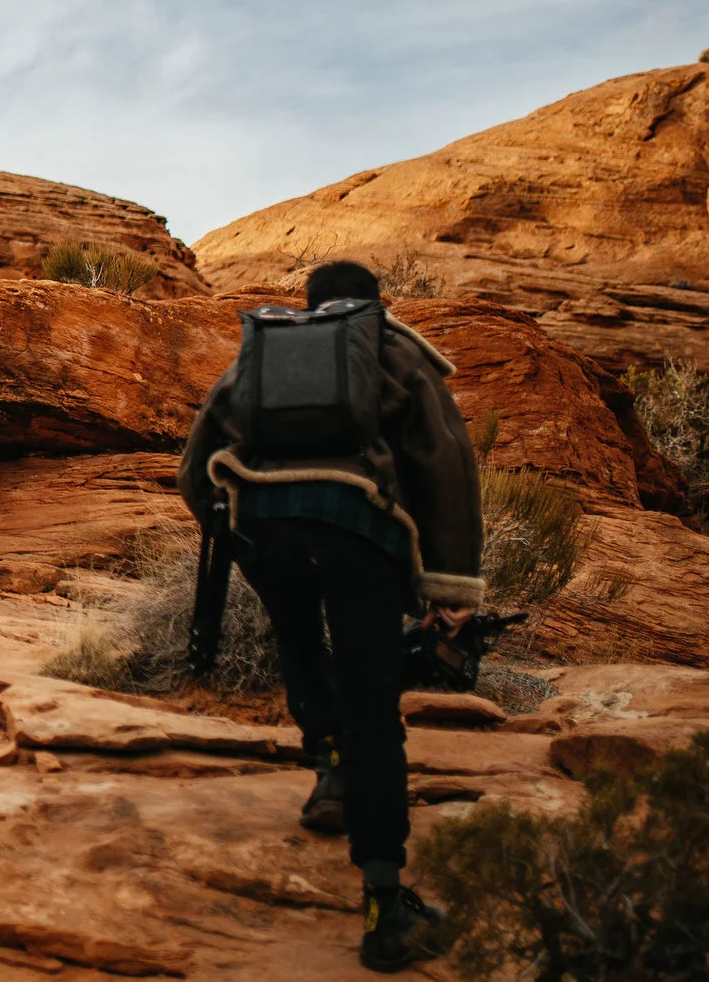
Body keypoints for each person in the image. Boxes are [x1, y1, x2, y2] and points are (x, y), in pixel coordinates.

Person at [176, 259, 482, 973]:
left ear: (310, 304)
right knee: (375, 706)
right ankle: (385, 904)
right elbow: (445, 462)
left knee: (294, 631)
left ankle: (330, 764)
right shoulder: (392, 347)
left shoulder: (266, 347)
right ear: (374, 304)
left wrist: (239, 537)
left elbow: (196, 465)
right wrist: (452, 588)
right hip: (358, 530)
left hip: (270, 525)